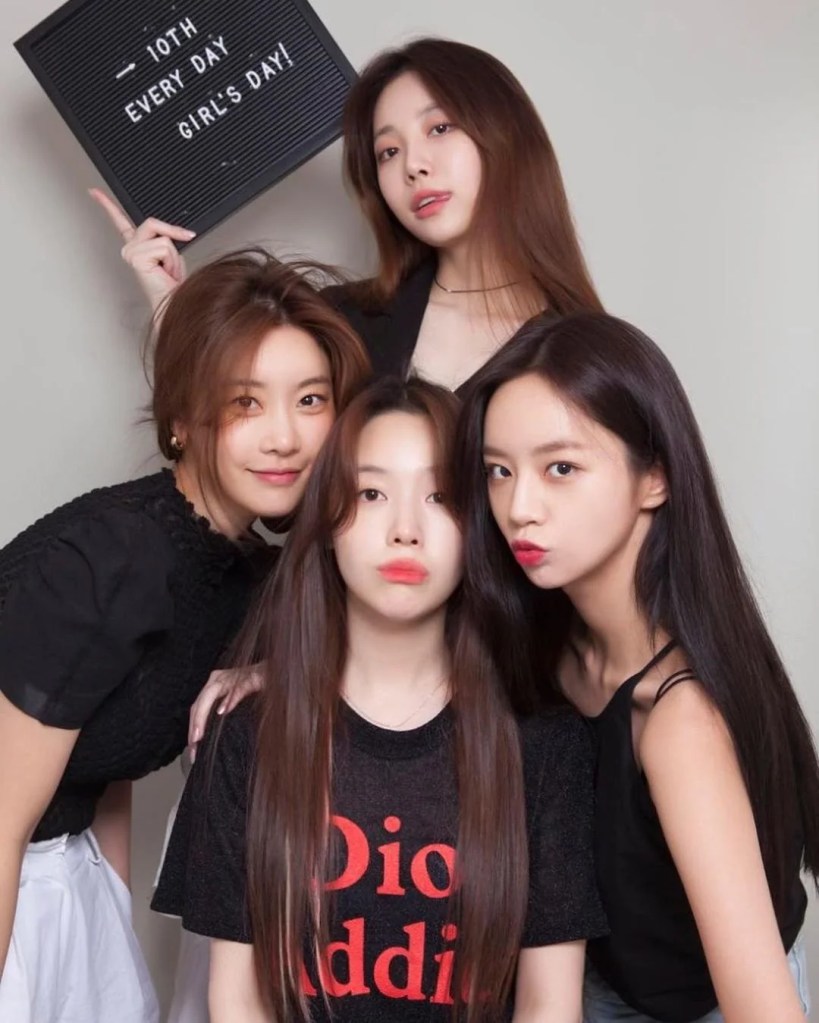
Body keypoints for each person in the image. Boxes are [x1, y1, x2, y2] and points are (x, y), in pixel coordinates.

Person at [152, 376, 608, 1023]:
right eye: (371, 493)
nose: (404, 530)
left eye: (439, 496)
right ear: (326, 520)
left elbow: (548, 1006)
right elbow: (236, 1000)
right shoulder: (247, 737)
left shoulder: (544, 745)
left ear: (477, 526)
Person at [0, 250, 370, 1023]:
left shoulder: (247, 575)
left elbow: (106, 765)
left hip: (62, 879)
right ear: (181, 421)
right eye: (245, 402)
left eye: (310, 399)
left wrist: (109, 949)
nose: (285, 437)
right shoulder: (109, 556)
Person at [452, 312, 816, 1023]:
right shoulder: (542, 640)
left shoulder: (679, 722)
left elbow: (762, 1009)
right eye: (499, 471)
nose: (519, 507)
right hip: (588, 989)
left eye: (560, 468)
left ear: (654, 477)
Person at [91, 36, 602, 394]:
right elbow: (245, 428)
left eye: (440, 128)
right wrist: (170, 307)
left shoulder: (586, 354)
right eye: (388, 152)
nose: (414, 165)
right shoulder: (340, 321)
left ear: (507, 135)